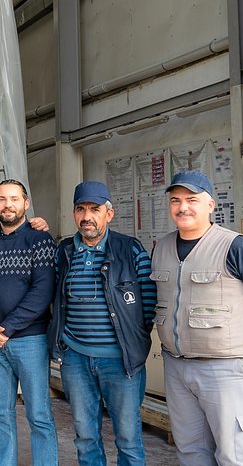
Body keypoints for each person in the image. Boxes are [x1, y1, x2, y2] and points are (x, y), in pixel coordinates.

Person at [152, 170, 243, 466]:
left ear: (210, 204)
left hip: (226, 371)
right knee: (190, 452)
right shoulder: (160, 247)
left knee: (235, 456)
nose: (182, 207)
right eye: (175, 200)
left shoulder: (236, 247)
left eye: (192, 199)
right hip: (177, 367)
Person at [49, 181, 156, 466]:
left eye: (94, 209)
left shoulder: (130, 249)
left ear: (109, 213)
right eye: (80, 209)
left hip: (120, 362)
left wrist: (130, 343)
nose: (87, 216)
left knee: (128, 438)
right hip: (76, 359)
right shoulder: (65, 252)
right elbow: (56, 298)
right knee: (85, 437)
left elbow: (147, 304)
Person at [0, 179, 57, 466]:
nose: (8, 204)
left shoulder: (40, 240)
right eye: (2, 199)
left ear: (26, 204)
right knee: (0, 413)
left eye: (14, 199)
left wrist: (5, 328)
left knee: (39, 414)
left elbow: (42, 292)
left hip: (30, 340)